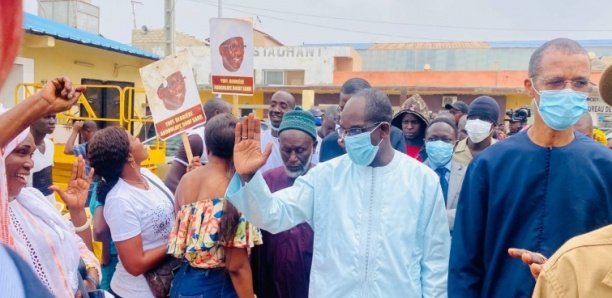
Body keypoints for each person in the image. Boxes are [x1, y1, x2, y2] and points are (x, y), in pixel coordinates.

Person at [227, 89, 450, 297]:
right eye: (342, 129)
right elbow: (273, 215)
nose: (344, 138)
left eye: (354, 131)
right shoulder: (326, 177)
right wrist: (250, 177)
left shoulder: (422, 181)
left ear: (383, 130)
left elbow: (435, 263)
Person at [448, 38, 612, 297]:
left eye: (579, 83)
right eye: (556, 82)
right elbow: (465, 263)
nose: (568, 91)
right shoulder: (489, 166)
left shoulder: (605, 166)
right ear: (530, 86)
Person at [167, 113, 262, 298]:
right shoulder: (235, 192)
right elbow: (236, 265)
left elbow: (180, 223)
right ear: (237, 147)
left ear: (207, 146)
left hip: (183, 282)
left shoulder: (186, 180)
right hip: (217, 286)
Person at [6, 128, 100, 296]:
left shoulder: (32, 199)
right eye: (21, 152)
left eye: (31, 155)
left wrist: (77, 211)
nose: (30, 164)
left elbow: (78, 247)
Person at [89, 127, 176, 298]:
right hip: (137, 292)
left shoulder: (147, 175)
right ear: (129, 156)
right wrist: (176, 244)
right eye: (134, 138)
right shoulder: (119, 200)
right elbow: (135, 265)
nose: (140, 139)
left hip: (165, 282)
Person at [251, 108, 317, 298]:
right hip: (269, 281)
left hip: (310, 285)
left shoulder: (324, 182)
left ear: (313, 145)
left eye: (300, 150)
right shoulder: (266, 181)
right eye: (287, 151)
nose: (293, 158)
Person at [319, 78, 405, 162]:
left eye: (353, 107)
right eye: (342, 108)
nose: (346, 112)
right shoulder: (329, 143)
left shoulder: (394, 136)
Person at [165, 98, 231, 193]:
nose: (232, 118)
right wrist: (189, 202)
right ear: (217, 114)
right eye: (229, 114)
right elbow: (172, 182)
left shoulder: (227, 140)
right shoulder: (196, 139)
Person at [422, 117, 458, 229]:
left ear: (455, 144)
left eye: (446, 140)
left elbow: (470, 210)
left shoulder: (468, 173)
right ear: (425, 142)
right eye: (432, 139)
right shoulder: (413, 175)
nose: (439, 144)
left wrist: (433, 219)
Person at [259, 91, 297, 173]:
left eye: (283, 106)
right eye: (273, 105)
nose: (276, 110)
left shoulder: (298, 144)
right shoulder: (258, 138)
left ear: (293, 112)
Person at [28, 113, 57, 204]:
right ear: (32, 120)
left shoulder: (50, 145)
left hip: (49, 203)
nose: (52, 122)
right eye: (47, 117)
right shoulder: (22, 148)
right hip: (30, 205)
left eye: (54, 117)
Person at [391, 95, 430, 161]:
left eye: (414, 122)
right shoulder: (392, 148)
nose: (409, 127)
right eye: (405, 122)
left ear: (423, 125)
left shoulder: (429, 151)